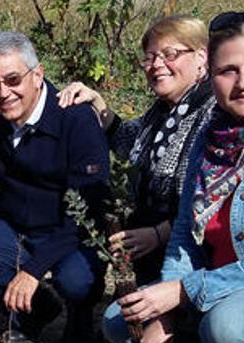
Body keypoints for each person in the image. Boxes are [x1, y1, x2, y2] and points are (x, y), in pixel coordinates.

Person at [0, 32, 111, 343]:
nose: (3, 93)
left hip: (71, 230)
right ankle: (36, 311)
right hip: (18, 227)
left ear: (38, 74)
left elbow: (90, 209)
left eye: (12, 79)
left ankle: (80, 315)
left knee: (77, 280)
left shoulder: (75, 118)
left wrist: (33, 271)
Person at [103, 11, 244, 343]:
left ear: (199, 62)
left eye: (170, 54)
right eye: (229, 70)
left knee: (227, 330)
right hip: (212, 280)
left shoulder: (201, 114)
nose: (241, 82)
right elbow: (185, 232)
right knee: (122, 320)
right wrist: (165, 304)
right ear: (213, 74)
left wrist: (181, 292)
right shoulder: (211, 138)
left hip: (226, 286)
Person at [58, 15, 214, 284]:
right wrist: (97, 102)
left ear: (201, 57)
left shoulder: (212, 111)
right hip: (153, 250)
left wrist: (158, 234)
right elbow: (126, 141)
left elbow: (210, 197)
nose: (157, 65)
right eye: (150, 57)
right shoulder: (163, 111)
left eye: (170, 54)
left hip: (194, 255)